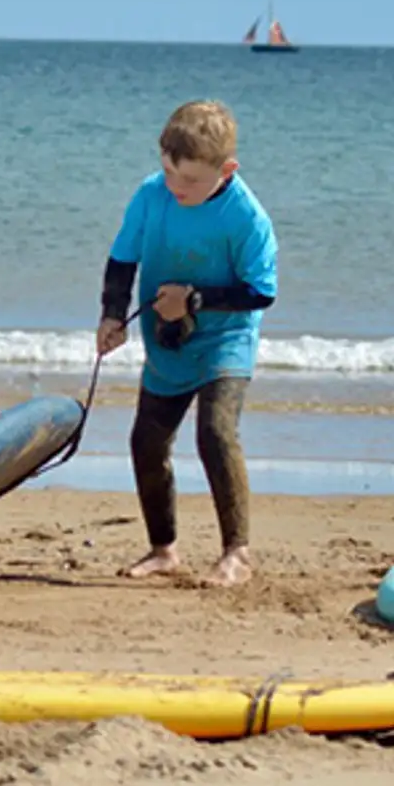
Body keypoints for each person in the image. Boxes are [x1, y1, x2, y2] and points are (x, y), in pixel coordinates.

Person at [97, 99, 277, 587]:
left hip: (227, 339)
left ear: (227, 169)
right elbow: (121, 261)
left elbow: (261, 292)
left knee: (215, 432)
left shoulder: (247, 218)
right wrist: (113, 315)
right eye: (170, 173)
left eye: (192, 181)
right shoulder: (151, 196)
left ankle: (237, 552)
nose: (177, 188)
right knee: (147, 442)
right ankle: (163, 549)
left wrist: (193, 299)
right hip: (167, 339)